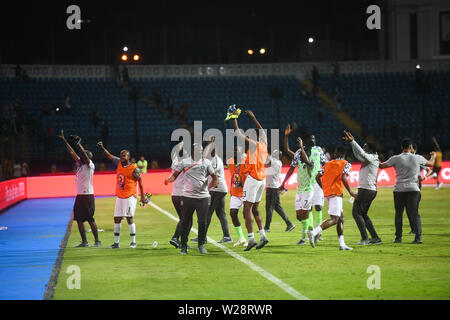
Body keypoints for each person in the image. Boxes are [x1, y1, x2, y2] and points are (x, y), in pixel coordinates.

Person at [165, 143, 218, 255]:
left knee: (202, 222)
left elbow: (214, 176)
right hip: (187, 196)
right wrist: (170, 179)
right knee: (185, 222)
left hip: (203, 197)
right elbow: (175, 174)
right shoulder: (184, 162)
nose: (200, 152)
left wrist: (215, 182)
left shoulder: (206, 162)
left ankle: (201, 245)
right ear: (193, 151)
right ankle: (183, 246)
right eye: (198, 150)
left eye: (201, 150)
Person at [379, 138, 436, 244]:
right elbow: (431, 164)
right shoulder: (417, 158)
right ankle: (418, 238)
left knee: (398, 214)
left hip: (399, 190)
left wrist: (374, 157)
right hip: (413, 189)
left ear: (401, 147)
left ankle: (398, 238)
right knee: (414, 214)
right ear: (411, 147)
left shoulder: (395, 158)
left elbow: (381, 166)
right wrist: (433, 156)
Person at [280, 124, 326, 245]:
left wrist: (323, 173)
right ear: (305, 142)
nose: (314, 141)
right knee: (307, 211)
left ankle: (316, 232)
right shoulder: (299, 153)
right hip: (305, 186)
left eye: (314, 139)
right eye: (311, 139)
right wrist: (286, 136)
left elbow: (325, 163)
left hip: (317, 182)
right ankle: (308, 235)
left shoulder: (318, 150)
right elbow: (288, 153)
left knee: (318, 207)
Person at [231, 109, 269, 251]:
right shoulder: (264, 145)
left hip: (253, 180)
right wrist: (254, 117)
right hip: (261, 180)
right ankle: (263, 236)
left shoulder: (255, 144)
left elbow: (238, 133)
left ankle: (251, 239)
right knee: (255, 209)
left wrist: (234, 117)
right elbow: (262, 131)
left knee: (246, 209)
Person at [97, 141, 147, 249]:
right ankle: (116, 243)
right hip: (119, 196)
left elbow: (141, 182)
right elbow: (109, 156)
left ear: (129, 157)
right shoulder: (119, 163)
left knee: (129, 218)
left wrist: (142, 196)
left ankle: (133, 242)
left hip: (130, 196)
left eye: (124, 155)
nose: (122, 157)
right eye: (121, 155)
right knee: (116, 218)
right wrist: (102, 147)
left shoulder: (134, 168)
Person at [309, 146, 358, 250]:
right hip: (336, 194)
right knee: (335, 219)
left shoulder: (327, 164)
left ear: (335, 154)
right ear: (344, 155)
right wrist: (351, 192)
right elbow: (344, 177)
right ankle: (314, 232)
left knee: (341, 218)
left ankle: (342, 244)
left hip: (327, 194)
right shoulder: (346, 164)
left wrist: (324, 188)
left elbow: (317, 176)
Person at [60, 130, 100, 247]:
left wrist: (79, 144)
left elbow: (82, 154)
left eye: (84, 155)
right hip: (80, 196)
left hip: (87, 195)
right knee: (79, 220)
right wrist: (64, 140)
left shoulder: (90, 165)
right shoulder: (80, 165)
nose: (81, 156)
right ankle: (84, 242)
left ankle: (97, 241)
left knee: (90, 219)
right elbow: (72, 152)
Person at [342, 130, 381, 245]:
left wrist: (353, 141)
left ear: (370, 149)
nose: (363, 148)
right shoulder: (369, 158)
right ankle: (375, 238)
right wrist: (351, 143)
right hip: (367, 189)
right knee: (362, 214)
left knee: (356, 213)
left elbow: (362, 154)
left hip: (367, 189)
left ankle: (365, 238)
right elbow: (358, 154)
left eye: (365, 147)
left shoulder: (373, 158)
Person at [202, 136, 232, 244]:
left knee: (208, 212)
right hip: (218, 189)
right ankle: (227, 237)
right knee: (220, 213)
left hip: (217, 189)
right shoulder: (211, 159)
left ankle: (203, 237)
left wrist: (207, 186)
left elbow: (214, 175)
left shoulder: (215, 160)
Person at [168, 141, 192, 249]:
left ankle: (181, 241)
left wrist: (179, 145)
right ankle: (177, 238)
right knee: (187, 219)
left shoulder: (175, 162)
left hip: (174, 195)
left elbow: (174, 154)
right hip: (183, 194)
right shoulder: (186, 164)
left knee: (183, 218)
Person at [264, 149, 295, 233]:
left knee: (269, 207)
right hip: (275, 187)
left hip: (272, 188)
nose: (273, 153)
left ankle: (267, 227)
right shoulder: (279, 162)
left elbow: (265, 164)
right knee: (277, 207)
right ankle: (289, 223)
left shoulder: (273, 161)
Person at [227, 146, 249, 247]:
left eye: (237, 151)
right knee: (233, 213)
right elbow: (233, 176)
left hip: (245, 193)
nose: (235, 152)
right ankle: (241, 238)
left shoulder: (245, 162)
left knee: (246, 215)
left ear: (241, 153)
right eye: (234, 150)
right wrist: (231, 189)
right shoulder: (230, 161)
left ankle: (250, 238)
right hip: (235, 193)